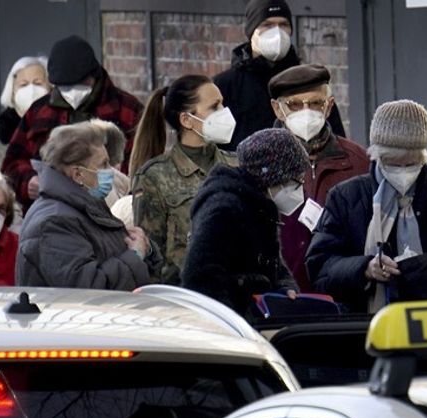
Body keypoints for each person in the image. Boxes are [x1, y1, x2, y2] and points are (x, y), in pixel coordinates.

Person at [306, 100, 427, 313]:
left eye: (410, 164)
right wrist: (365, 268)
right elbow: (320, 267)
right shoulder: (346, 198)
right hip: (364, 326)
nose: (402, 171)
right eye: (392, 163)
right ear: (377, 157)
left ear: (423, 158)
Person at [3, 35, 143, 210]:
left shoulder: (127, 109)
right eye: (65, 87)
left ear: (94, 75)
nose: (72, 92)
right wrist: (28, 181)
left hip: (112, 210)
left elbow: (143, 164)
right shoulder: (39, 111)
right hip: (53, 210)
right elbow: (12, 162)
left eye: (79, 84)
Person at [16, 119, 153, 289]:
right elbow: (88, 289)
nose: (111, 171)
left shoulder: (85, 206)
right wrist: (135, 255)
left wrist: (144, 247)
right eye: (103, 164)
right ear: (78, 174)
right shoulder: (53, 222)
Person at [129, 74, 238, 285]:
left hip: (235, 292)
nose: (224, 113)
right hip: (185, 294)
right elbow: (151, 252)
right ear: (187, 119)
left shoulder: (236, 166)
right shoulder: (155, 176)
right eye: (215, 107)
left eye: (223, 105)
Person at [182, 128, 305, 315]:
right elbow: (201, 277)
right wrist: (234, 327)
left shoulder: (258, 207)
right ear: (274, 177)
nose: (300, 189)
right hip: (231, 325)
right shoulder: (225, 209)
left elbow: (271, 263)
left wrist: (285, 286)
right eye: (296, 181)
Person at [269, 64, 367, 291]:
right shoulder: (261, 163)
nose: (306, 112)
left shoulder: (358, 161)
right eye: (294, 104)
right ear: (277, 108)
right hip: (283, 292)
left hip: (343, 290)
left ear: (329, 106)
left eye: (315, 103)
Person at [213, 0, 345, 149]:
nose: (277, 32)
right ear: (252, 31)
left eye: (283, 25)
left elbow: (337, 140)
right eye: (267, 25)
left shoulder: (309, 81)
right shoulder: (225, 85)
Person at [0, 55, 50, 168]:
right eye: (23, 84)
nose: (31, 90)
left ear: (50, 88)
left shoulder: (64, 129)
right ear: (12, 93)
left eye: (38, 83)